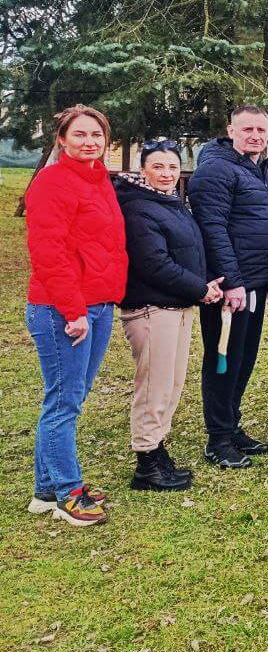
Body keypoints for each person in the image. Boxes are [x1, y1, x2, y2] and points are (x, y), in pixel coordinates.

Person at [25, 105, 126, 525]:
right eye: (80, 135)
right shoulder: (51, 183)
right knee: (64, 402)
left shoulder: (99, 178)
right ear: (62, 140)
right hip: (64, 310)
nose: (89, 142)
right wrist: (73, 310)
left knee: (69, 398)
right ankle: (68, 492)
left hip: (98, 305)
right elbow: (50, 253)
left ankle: (45, 491)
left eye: (97, 135)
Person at [116, 139, 222, 493]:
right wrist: (200, 288)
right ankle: (146, 462)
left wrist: (205, 283)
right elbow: (153, 263)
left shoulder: (171, 204)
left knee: (171, 385)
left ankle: (158, 450)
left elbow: (187, 252)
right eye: (158, 167)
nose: (166, 173)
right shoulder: (137, 208)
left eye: (172, 167)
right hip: (151, 309)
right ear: (143, 169)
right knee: (153, 388)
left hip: (177, 306)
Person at [188, 105, 268, 469]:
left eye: (261, 129)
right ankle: (219, 439)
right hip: (232, 288)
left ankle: (232, 424)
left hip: (256, 284)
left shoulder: (258, 169)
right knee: (223, 361)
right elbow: (213, 230)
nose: (256, 135)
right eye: (248, 129)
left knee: (243, 360)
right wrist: (233, 282)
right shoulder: (216, 170)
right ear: (231, 130)